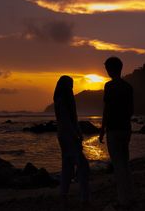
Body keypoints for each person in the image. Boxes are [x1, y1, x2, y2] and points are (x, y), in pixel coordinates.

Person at [99, 57, 134, 210]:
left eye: (107, 68)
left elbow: (106, 110)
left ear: (111, 69)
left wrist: (102, 129)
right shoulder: (128, 87)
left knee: (118, 165)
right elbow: (131, 110)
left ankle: (123, 201)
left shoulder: (109, 86)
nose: (106, 71)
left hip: (113, 129)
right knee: (125, 163)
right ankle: (129, 197)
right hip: (126, 129)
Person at [53, 75, 90, 210]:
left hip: (64, 136)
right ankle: (84, 198)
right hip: (68, 137)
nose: (72, 87)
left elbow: (71, 120)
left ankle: (64, 195)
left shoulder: (62, 99)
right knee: (82, 166)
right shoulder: (63, 100)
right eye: (70, 84)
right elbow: (66, 121)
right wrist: (76, 135)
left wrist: (78, 131)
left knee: (67, 166)